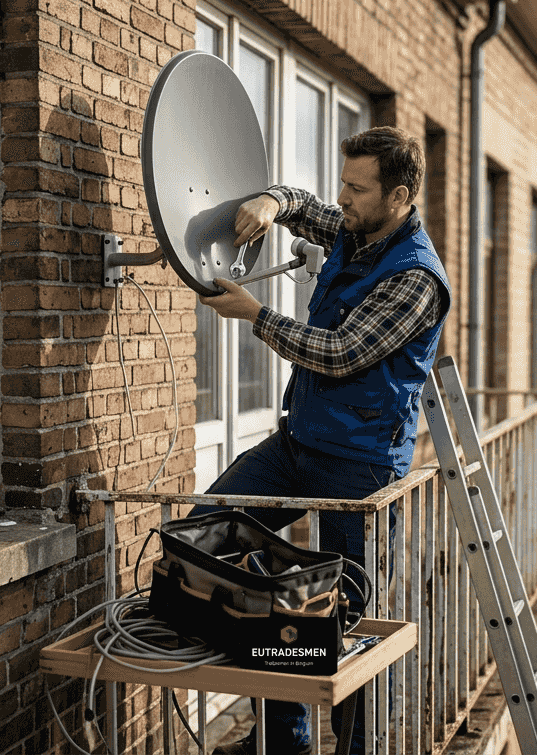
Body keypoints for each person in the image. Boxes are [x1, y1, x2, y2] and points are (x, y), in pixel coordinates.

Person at [193, 126, 451, 755]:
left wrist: (256, 315)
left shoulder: (415, 278)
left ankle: (354, 748)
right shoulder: (356, 232)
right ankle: (288, 742)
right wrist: (272, 202)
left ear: (401, 196)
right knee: (205, 535)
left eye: (358, 188)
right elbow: (308, 208)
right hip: (299, 443)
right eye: (343, 180)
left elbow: (339, 354)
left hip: (360, 472)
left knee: (341, 627)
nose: (343, 197)